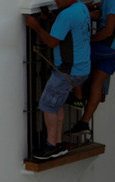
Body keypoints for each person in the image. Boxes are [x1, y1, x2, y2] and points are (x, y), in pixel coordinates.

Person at [26, 0, 91, 160]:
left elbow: (52, 41)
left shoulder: (66, 15)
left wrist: (36, 27)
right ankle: (59, 143)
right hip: (82, 68)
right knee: (56, 104)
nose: (56, 1)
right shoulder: (81, 7)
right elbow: (69, 29)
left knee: (48, 105)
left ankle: (51, 146)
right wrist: (50, 18)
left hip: (67, 72)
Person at [68, 0, 115, 136]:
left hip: (107, 45)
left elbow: (108, 30)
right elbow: (101, 14)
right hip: (112, 50)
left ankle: (78, 98)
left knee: (76, 56)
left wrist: (90, 40)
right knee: (97, 83)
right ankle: (84, 122)